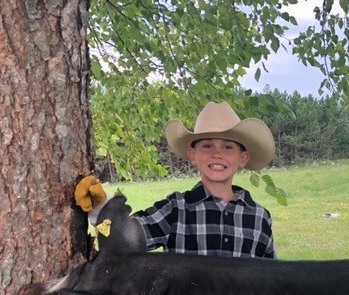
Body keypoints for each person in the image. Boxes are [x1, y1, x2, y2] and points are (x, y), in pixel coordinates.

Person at [75, 101, 276, 259]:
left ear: (243, 158)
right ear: (193, 155)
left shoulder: (259, 217)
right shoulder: (175, 209)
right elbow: (125, 240)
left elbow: (273, 281)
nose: (217, 154)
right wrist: (101, 207)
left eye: (228, 147)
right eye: (207, 146)